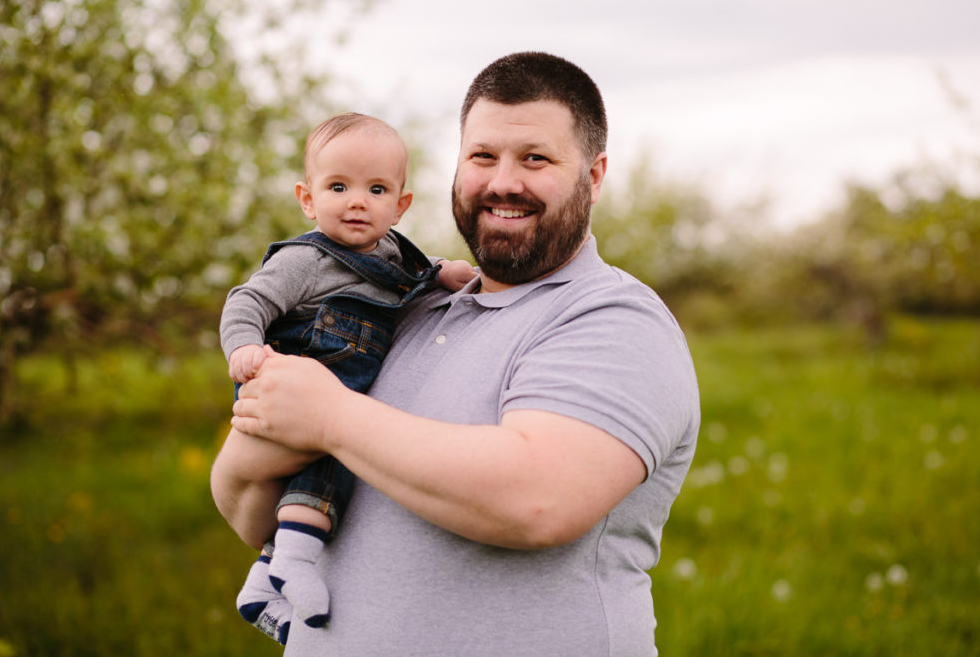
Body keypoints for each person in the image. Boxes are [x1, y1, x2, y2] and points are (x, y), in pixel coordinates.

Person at [212, 52, 700, 656]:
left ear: (593, 176)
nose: (503, 182)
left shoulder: (613, 320)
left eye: (536, 159)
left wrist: (329, 417)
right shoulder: (402, 311)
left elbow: (536, 502)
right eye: (482, 156)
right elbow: (246, 508)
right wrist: (269, 442)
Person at [219, 112, 475, 643]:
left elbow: (409, 277)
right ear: (308, 198)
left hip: (337, 387)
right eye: (338, 186)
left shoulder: (392, 254)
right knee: (332, 457)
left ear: (400, 206)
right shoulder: (305, 260)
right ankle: (294, 561)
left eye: (376, 189)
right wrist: (243, 347)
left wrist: (440, 272)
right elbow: (247, 300)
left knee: (350, 443)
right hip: (290, 378)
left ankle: (263, 582)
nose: (357, 201)